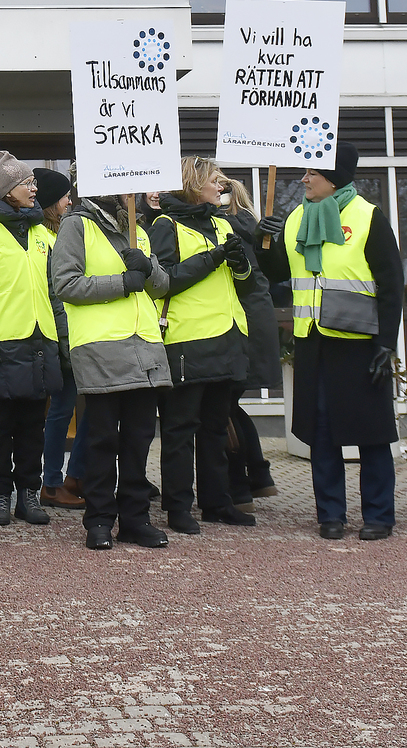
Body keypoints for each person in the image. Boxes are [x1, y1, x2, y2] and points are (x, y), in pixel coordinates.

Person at [256, 143, 405, 542]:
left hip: (360, 343)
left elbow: (392, 285)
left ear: (334, 179)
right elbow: (279, 274)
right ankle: (331, 515)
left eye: (313, 173)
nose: (304, 179)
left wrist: (386, 343)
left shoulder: (368, 216)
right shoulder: (296, 218)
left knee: (372, 434)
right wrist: (262, 243)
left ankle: (379, 516)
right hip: (313, 342)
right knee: (321, 434)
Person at [50, 185, 173, 551]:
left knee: (138, 440)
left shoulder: (138, 227)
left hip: (144, 347)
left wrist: (147, 269)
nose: (133, 192)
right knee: (102, 440)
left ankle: (135, 520)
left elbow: (162, 286)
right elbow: (65, 283)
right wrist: (121, 283)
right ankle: (100, 520)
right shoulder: (77, 224)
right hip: (101, 347)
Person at [0, 151, 69, 528]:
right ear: (7, 190)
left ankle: (29, 495)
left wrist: (63, 340)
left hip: (41, 342)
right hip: (1, 343)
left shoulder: (42, 234)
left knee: (33, 427)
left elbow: (55, 292)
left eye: (33, 182)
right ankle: (0, 495)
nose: (34, 188)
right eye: (26, 183)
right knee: (0, 427)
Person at [149, 157, 257, 532]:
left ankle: (217, 503)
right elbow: (163, 281)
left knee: (215, 428)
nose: (221, 186)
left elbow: (245, 284)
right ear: (193, 184)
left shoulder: (222, 223)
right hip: (187, 339)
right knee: (180, 430)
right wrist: (212, 258)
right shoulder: (165, 224)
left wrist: (241, 265)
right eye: (215, 180)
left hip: (227, 336)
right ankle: (178, 507)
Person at [34, 168, 89, 511]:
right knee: (62, 410)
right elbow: (56, 295)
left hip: (73, 333)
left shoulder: (57, 234)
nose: (69, 202)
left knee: (78, 409)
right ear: (51, 203)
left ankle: (73, 476)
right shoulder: (45, 238)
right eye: (64, 197)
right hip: (61, 337)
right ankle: (53, 482)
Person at [225, 180, 280, 510]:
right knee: (230, 404)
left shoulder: (226, 227)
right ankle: (258, 474)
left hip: (240, 321)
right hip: (257, 318)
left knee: (222, 407)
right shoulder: (251, 224)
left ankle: (239, 487)